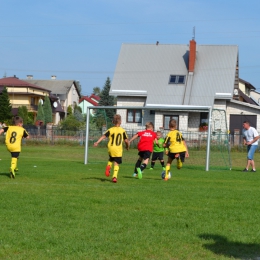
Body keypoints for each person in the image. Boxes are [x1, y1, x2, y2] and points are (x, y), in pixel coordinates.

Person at [94, 114, 129, 183]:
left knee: (111, 159)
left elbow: (104, 136)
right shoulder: (122, 131)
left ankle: (109, 166)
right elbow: (126, 141)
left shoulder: (110, 130)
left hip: (111, 148)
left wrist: (97, 142)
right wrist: (127, 146)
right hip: (118, 149)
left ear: (113, 122)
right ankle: (114, 177)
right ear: (121, 121)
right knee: (116, 163)